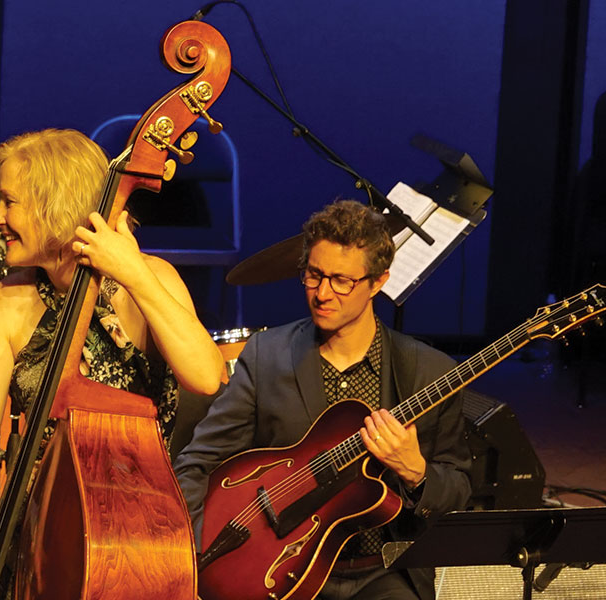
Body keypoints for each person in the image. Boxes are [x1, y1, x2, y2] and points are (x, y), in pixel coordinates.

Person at [0, 129, 225, 596]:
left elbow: (206, 377)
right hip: (39, 531)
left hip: (139, 530)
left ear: (52, 205)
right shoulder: (6, 302)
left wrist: (133, 271)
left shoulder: (151, 280)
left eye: (9, 202)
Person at [173, 200, 472, 599]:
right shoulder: (267, 356)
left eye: (341, 281)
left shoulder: (428, 372)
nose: (322, 293)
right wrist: (202, 551)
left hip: (379, 572)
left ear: (378, 282)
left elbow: (459, 489)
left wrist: (416, 471)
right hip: (277, 571)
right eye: (314, 276)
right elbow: (197, 464)